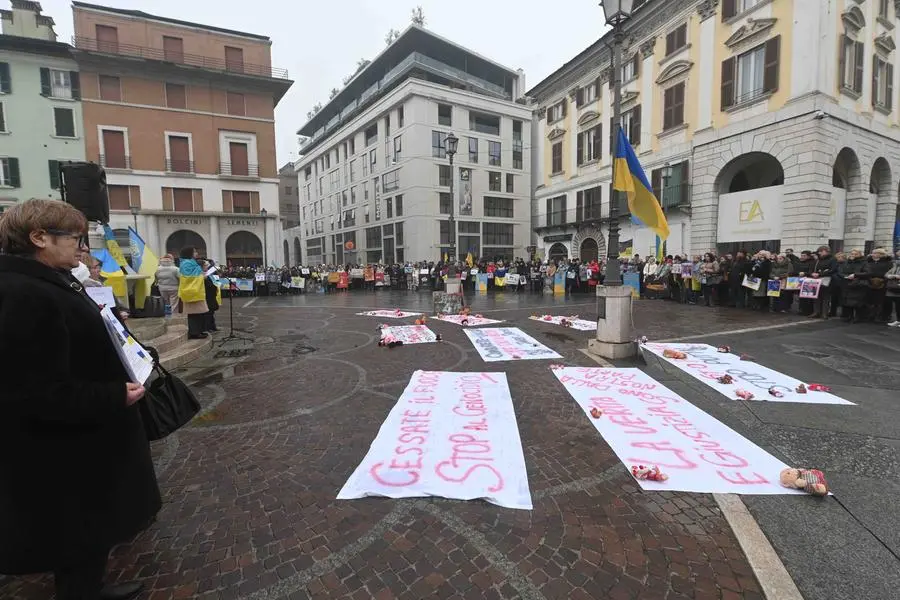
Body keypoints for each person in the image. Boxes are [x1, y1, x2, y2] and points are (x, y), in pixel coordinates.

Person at [0, 199, 160, 600]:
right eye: (74, 238)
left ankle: (87, 588)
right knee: (77, 526)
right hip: (66, 443)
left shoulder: (46, 281)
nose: (82, 248)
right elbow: (32, 387)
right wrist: (110, 394)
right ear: (39, 238)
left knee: (83, 534)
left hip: (77, 439)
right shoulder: (24, 292)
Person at [177, 246, 209, 339]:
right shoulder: (187, 264)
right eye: (194, 252)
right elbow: (189, 279)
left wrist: (201, 275)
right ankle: (194, 333)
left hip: (195, 292)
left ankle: (198, 331)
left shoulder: (191, 263)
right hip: (191, 292)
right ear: (189, 253)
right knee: (193, 314)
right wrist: (202, 277)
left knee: (198, 313)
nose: (197, 254)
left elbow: (195, 275)